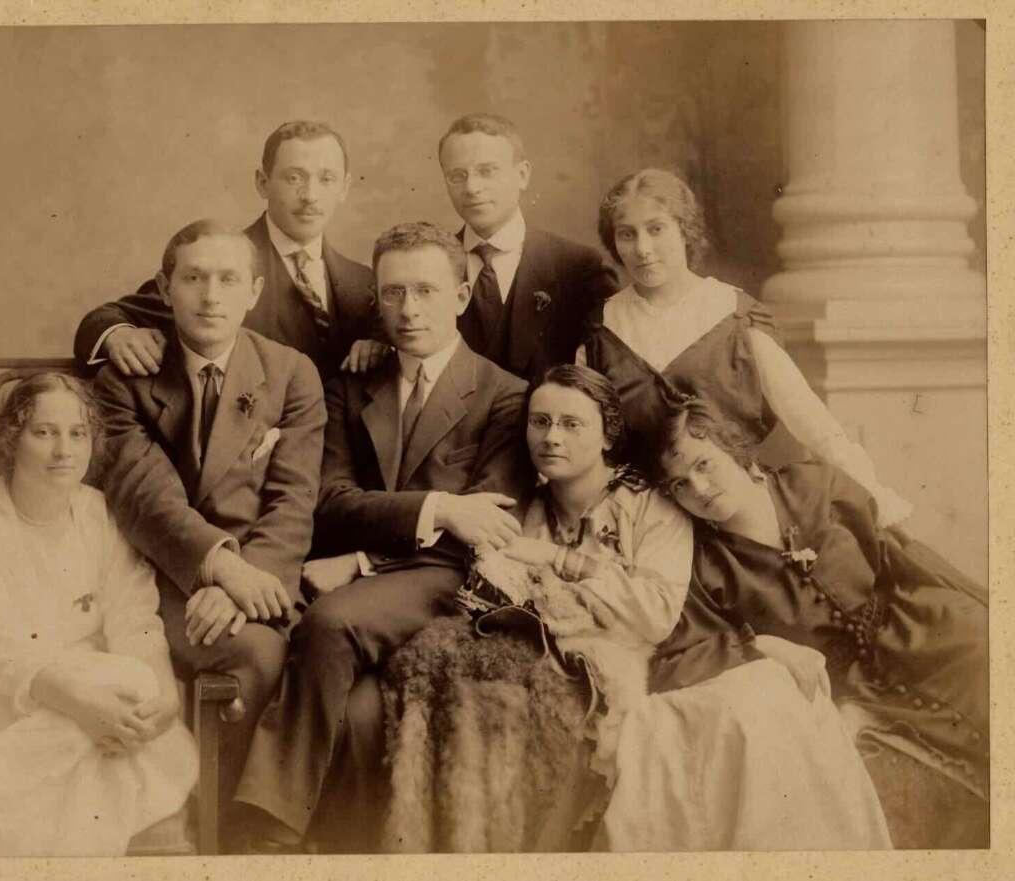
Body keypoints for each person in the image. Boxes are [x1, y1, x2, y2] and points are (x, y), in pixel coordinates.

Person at [378, 365, 892, 852]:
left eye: (571, 424)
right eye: (540, 423)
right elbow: (508, 591)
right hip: (559, 660)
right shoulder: (525, 505)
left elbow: (654, 611)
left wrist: (561, 564)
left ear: (605, 435)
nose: (552, 437)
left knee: (741, 718)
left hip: (650, 663)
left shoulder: (651, 504)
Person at [232, 221, 531, 851]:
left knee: (331, 623)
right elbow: (330, 502)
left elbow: (486, 528)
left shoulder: (505, 397)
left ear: (461, 292)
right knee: (362, 711)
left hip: (452, 581)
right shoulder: (348, 388)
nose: (408, 309)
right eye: (393, 293)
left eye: (425, 290)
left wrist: (364, 561)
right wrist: (442, 507)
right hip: (379, 573)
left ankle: (269, 825)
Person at [0, 374, 198, 857]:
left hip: (95, 694)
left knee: (137, 681)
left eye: (77, 434)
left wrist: (164, 690)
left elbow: (135, 614)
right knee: (114, 692)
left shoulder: (99, 516)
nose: (63, 450)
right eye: (43, 433)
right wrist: (79, 701)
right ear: (10, 439)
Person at [650, 398, 989, 847]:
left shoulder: (814, 483)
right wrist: (760, 647)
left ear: (735, 451)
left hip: (906, 626)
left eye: (704, 464)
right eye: (680, 485)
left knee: (980, 648)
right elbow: (681, 654)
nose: (699, 487)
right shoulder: (706, 565)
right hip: (837, 682)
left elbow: (888, 552)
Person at [91, 220, 326, 848]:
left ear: (253, 291)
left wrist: (246, 581)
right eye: (194, 278)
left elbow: (292, 503)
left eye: (228, 280)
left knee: (262, 647)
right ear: (166, 290)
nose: (210, 296)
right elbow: (145, 499)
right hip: (163, 572)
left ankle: (240, 833)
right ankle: (206, 830)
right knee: (252, 652)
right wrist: (220, 567)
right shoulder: (127, 379)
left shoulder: (290, 373)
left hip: (258, 576)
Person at [581, 167, 910, 526]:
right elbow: (584, 439)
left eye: (656, 229)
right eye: (627, 234)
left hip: (740, 515)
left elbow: (807, 417)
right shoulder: (601, 329)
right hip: (645, 522)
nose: (642, 249)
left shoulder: (733, 315)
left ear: (685, 229)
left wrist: (873, 493)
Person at [74, 120, 381, 382]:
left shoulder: (363, 281)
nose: (311, 196)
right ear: (263, 182)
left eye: (326, 179)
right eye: (294, 178)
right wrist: (119, 336)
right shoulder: (221, 260)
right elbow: (104, 320)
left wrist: (382, 346)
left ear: (344, 188)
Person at [438, 113, 619, 380]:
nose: (472, 187)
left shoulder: (579, 268)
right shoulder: (433, 264)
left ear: (522, 175)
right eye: (457, 175)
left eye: (487, 171)